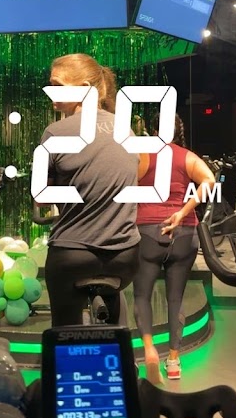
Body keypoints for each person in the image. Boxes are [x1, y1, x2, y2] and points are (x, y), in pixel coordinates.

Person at [40, 53, 141, 327]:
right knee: (116, 318)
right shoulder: (126, 129)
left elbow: (41, 198)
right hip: (126, 256)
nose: (50, 92)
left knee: (66, 331)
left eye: (57, 85)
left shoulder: (55, 131)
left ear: (84, 88)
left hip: (73, 255)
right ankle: (120, 346)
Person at [132, 114, 215, 384]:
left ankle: (149, 350)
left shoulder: (143, 153)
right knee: (175, 298)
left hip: (148, 231)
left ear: (153, 128)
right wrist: (182, 212)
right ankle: (174, 360)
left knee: (142, 295)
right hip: (184, 233)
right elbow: (209, 181)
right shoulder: (187, 156)